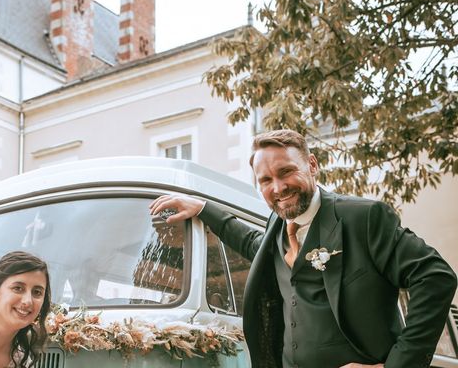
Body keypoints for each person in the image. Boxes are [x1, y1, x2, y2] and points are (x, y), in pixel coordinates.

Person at [149, 129, 457, 368]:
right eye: (265, 180)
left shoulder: (363, 218)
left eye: (285, 172)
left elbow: (435, 276)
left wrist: (396, 365)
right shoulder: (277, 226)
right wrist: (203, 207)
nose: (278, 188)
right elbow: (252, 243)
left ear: (311, 165)